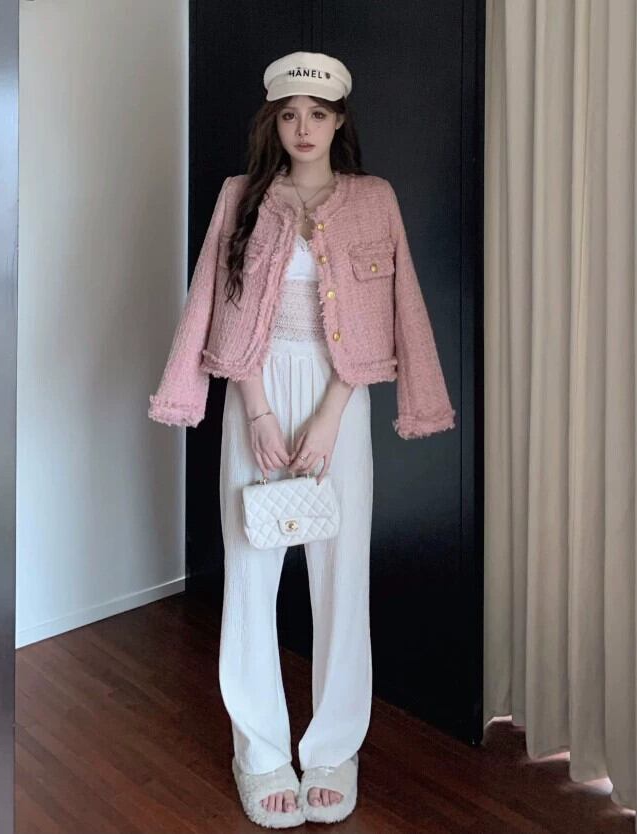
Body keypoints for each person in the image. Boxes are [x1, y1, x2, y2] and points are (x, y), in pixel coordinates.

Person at [148, 51, 455, 828]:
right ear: (274, 123)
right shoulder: (241, 196)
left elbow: (394, 307)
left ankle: (332, 749)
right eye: (289, 115)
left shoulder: (373, 199)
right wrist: (254, 410)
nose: (303, 128)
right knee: (250, 574)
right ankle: (258, 752)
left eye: (317, 115)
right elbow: (217, 301)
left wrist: (330, 412)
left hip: (336, 395)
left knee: (340, 577)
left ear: (339, 120)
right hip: (256, 389)